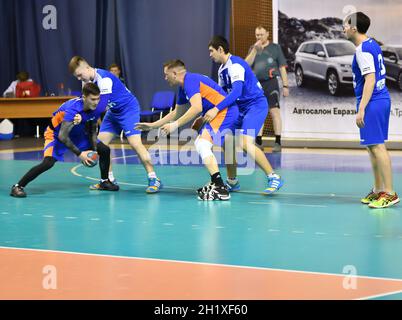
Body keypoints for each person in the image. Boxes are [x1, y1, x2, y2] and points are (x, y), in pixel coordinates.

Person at [135, 59, 239, 201]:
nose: (165, 78)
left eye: (166, 75)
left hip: (225, 112)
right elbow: (177, 112)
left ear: (174, 73)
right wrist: (153, 125)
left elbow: (197, 108)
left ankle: (220, 187)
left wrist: (175, 125)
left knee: (203, 144)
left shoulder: (190, 80)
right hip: (219, 114)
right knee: (208, 144)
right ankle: (221, 183)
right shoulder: (183, 87)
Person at [69, 56, 162, 193]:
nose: (79, 78)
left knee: (135, 144)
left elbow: (100, 107)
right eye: (76, 76)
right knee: (101, 146)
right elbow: (87, 104)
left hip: (128, 109)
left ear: (87, 68)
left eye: (79, 75)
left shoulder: (104, 79)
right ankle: (107, 180)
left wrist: (83, 118)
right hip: (113, 112)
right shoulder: (86, 82)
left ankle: (154, 178)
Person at [10, 83, 117, 198]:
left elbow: (92, 128)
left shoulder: (96, 107)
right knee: (48, 163)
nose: (96, 102)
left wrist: (94, 149)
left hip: (78, 134)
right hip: (56, 135)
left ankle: (104, 182)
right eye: (93, 99)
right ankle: (17, 186)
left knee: (104, 149)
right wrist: (80, 154)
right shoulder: (71, 110)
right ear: (84, 97)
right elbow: (63, 136)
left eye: (98, 99)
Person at [207, 35, 284, 195]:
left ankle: (274, 177)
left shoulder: (235, 65)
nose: (210, 55)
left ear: (220, 49)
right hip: (240, 108)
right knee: (226, 141)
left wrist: (216, 109)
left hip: (255, 105)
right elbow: (222, 95)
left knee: (245, 142)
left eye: (211, 51)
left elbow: (236, 92)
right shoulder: (222, 69)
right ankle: (232, 181)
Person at [343, 12, 399, 208]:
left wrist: (362, 109)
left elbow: (370, 79)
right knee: (371, 146)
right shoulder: (371, 44)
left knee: (378, 146)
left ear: (354, 28)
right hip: (377, 100)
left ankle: (390, 193)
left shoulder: (363, 50)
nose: (343, 28)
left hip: (373, 101)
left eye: (346, 25)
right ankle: (378, 190)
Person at [245, 26, 289, 152]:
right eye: (257, 35)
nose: (259, 37)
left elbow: (282, 68)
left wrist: (285, 85)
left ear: (267, 34)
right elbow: (246, 64)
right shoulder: (252, 49)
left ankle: (278, 142)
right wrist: (254, 50)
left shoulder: (275, 48)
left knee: (274, 112)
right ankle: (258, 142)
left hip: (271, 84)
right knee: (259, 113)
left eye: (261, 34)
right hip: (257, 85)